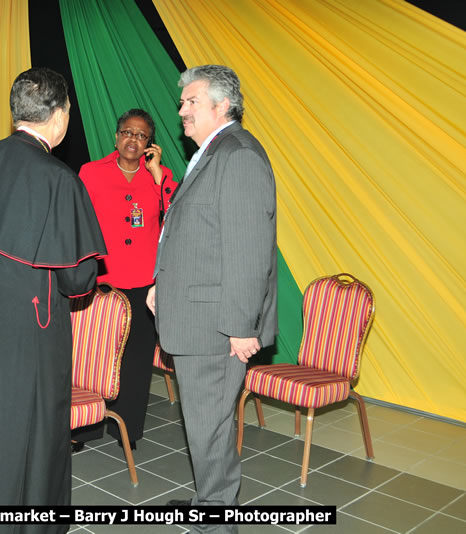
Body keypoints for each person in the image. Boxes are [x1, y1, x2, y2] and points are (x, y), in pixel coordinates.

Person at [0, 68, 106, 534]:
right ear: (58, 115)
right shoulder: (58, 179)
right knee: (27, 427)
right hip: (30, 324)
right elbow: (77, 278)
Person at [147, 65, 277, 533]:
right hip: (198, 317)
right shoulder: (211, 153)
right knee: (204, 427)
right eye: (182, 103)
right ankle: (210, 502)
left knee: (212, 428)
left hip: (218, 327)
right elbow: (197, 236)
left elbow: (249, 250)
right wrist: (163, 283)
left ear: (223, 105)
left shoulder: (238, 155)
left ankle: (217, 521)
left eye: (192, 102)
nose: (181, 110)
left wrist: (243, 328)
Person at [72, 109, 174, 451]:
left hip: (145, 285)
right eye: (127, 133)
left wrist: (159, 176)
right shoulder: (91, 172)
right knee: (92, 355)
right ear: (117, 137)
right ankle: (82, 427)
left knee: (136, 356)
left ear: (150, 144)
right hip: (102, 281)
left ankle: (128, 429)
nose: (133, 139)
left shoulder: (160, 177)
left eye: (141, 135)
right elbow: (77, 222)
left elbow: (178, 217)